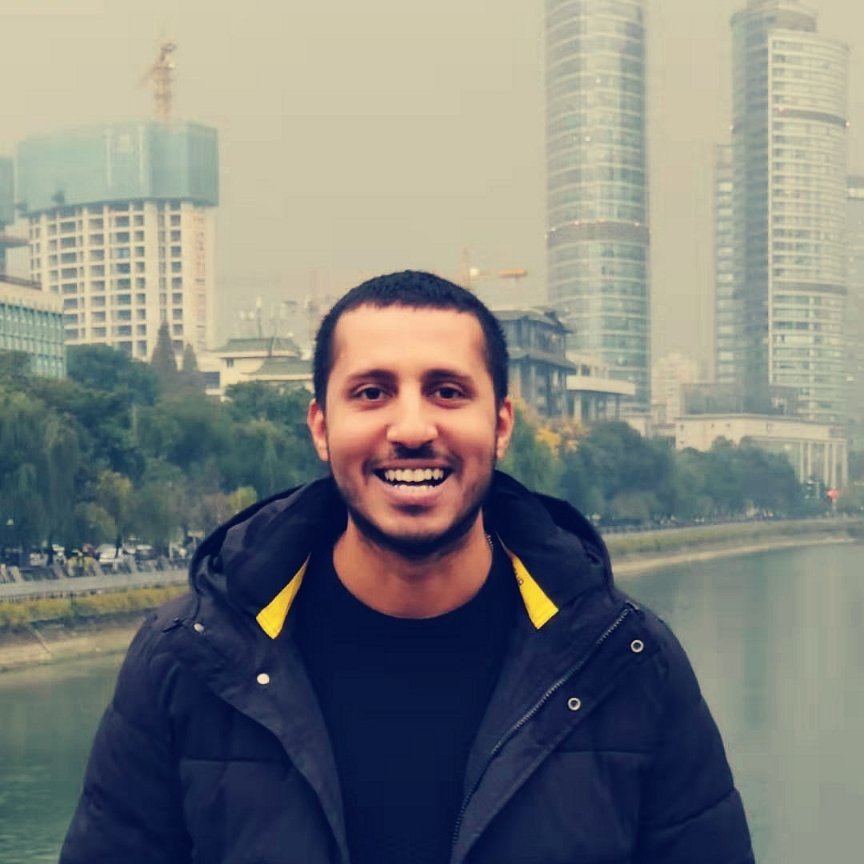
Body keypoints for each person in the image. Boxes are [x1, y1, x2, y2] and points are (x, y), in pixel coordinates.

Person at [60, 270, 753, 864]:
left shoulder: (628, 663)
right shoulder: (185, 661)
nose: (413, 428)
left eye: (447, 391)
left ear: (501, 424)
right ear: (321, 426)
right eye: (372, 393)